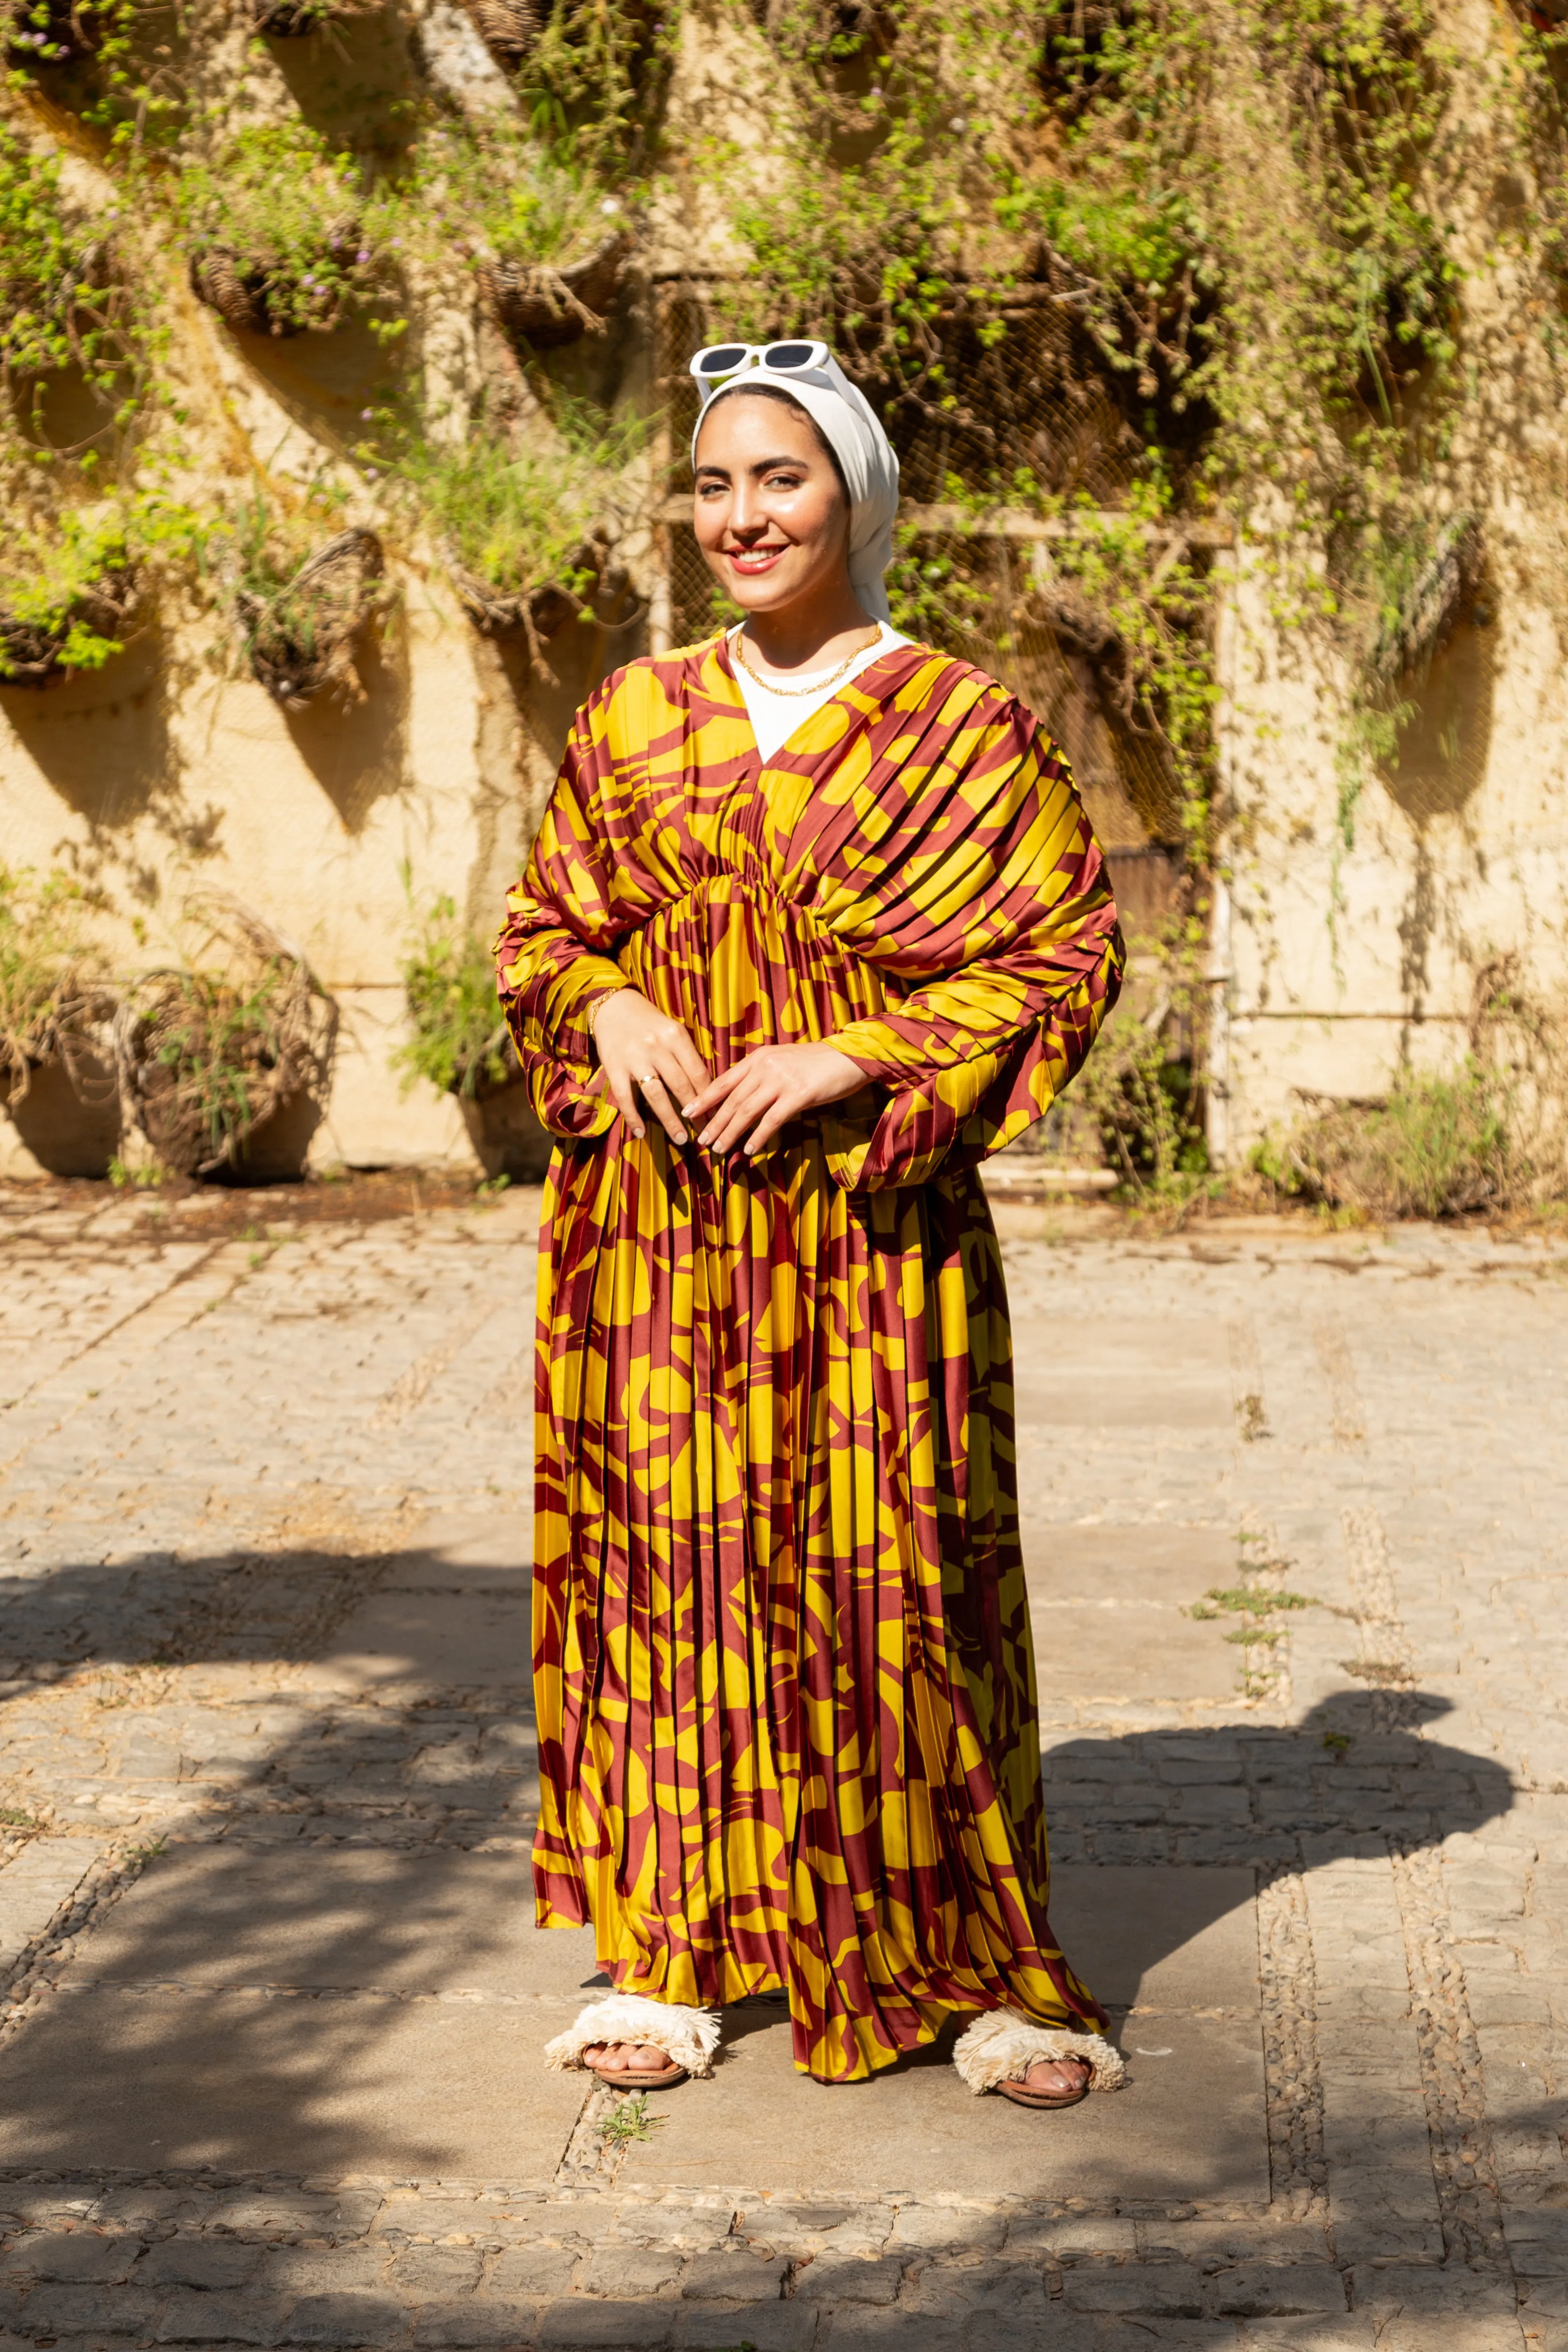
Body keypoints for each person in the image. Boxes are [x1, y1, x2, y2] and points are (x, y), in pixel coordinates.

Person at [495, 339, 1127, 2107]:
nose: (741, 515)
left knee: (903, 1573)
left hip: (870, 1232)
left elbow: (1064, 951)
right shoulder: (629, 713)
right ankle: (670, 1953)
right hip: (656, 1234)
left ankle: (978, 1963)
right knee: (670, 1570)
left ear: (852, 487)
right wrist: (609, 1007)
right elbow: (546, 927)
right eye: (713, 484)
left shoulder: (962, 721)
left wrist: (852, 1049)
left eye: (779, 477)